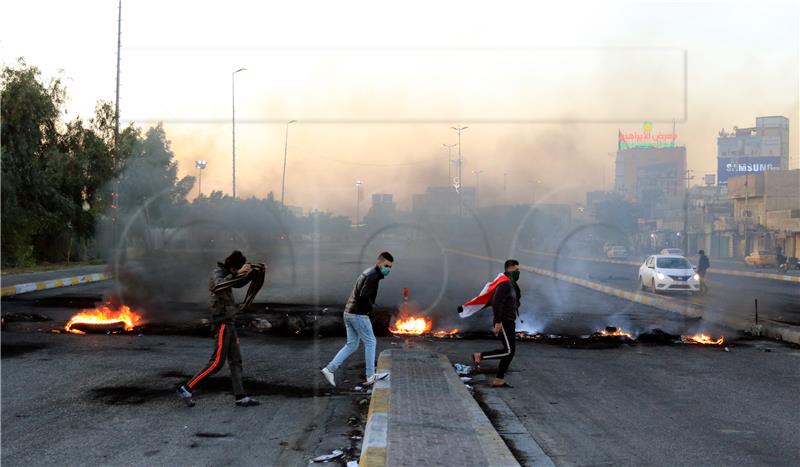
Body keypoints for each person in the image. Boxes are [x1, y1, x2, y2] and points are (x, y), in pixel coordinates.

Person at [177, 250, 266, 407]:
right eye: (236, 270)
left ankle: (240, 396)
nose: (237, 273)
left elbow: (237, 283)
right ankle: (186, 388)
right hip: (222, 323)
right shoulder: (218, 274)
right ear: (232, 267)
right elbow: (219, 286)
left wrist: (252, 274)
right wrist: (240, 274)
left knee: (236, 361)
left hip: (229, 322)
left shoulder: (227, 274)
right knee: (216, 362)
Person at [321, 251, 394, 387]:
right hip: (358, 314)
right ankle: (370, 375)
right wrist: (371, 309)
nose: (388, 269)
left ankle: (329, 369)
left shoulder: (369, 272)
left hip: (348, 312)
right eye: (386, 266)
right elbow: (364, 296)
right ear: (379, 262)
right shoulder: (373, 276)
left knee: (352, 345)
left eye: (390, 267)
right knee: (371, 342)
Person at [472, 259, 521, 388]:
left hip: (510, 321)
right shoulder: (504, 284)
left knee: (510, 351)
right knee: (509, 351)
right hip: (503, 321)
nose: (518, 273)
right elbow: (496, 303)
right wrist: (498, 322)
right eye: (516, 270)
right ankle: (480, 355)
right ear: (509, 269)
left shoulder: (511, 284)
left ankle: (499, 379)